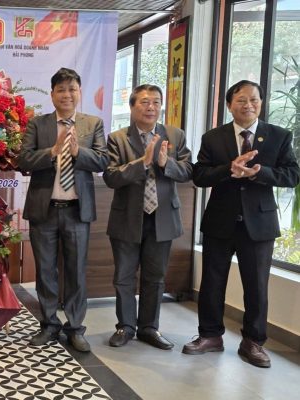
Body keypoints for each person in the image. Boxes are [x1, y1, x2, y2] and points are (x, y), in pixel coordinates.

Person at [183, 80, 299, 367]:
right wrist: (229, 169)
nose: (248, 105)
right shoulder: (213, 137)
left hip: (259, 223)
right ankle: (210, 335)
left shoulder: (279, 136)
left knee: (256, 285)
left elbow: (291, 175)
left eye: (254, 99)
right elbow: (200, 175)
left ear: (261, 102)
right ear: (229, 105)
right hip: (220, 220)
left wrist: (259, 173)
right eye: (241, 100)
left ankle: (253, 342)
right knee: (212, 282)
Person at [18, 67, 108, 352]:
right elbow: (23, 160)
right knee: (45, 271)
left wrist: (78, 152)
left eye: (72, 89)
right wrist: (53, 152)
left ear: (79, 92)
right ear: (52, 94)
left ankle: (75, 327)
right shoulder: (38, 124)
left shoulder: (92, 123)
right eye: (61, 90)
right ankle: (49, 325)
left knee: (76, 271)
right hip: (44, 210)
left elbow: (102, 161)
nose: (67, 95)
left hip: (77, 211)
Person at [103, 84, 192, 350]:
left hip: (162, 218)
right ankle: (125, 326)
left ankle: (149, 328)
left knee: (156, 276)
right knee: (124, 276)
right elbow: (111, 176)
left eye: (155, 102)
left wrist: (166, 163)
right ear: (132, 107)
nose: (150, 107)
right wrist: (142, 162)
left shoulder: (174, 135)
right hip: (127, 217)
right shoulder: (118, 138)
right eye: (144, 102)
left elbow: (188, 171)